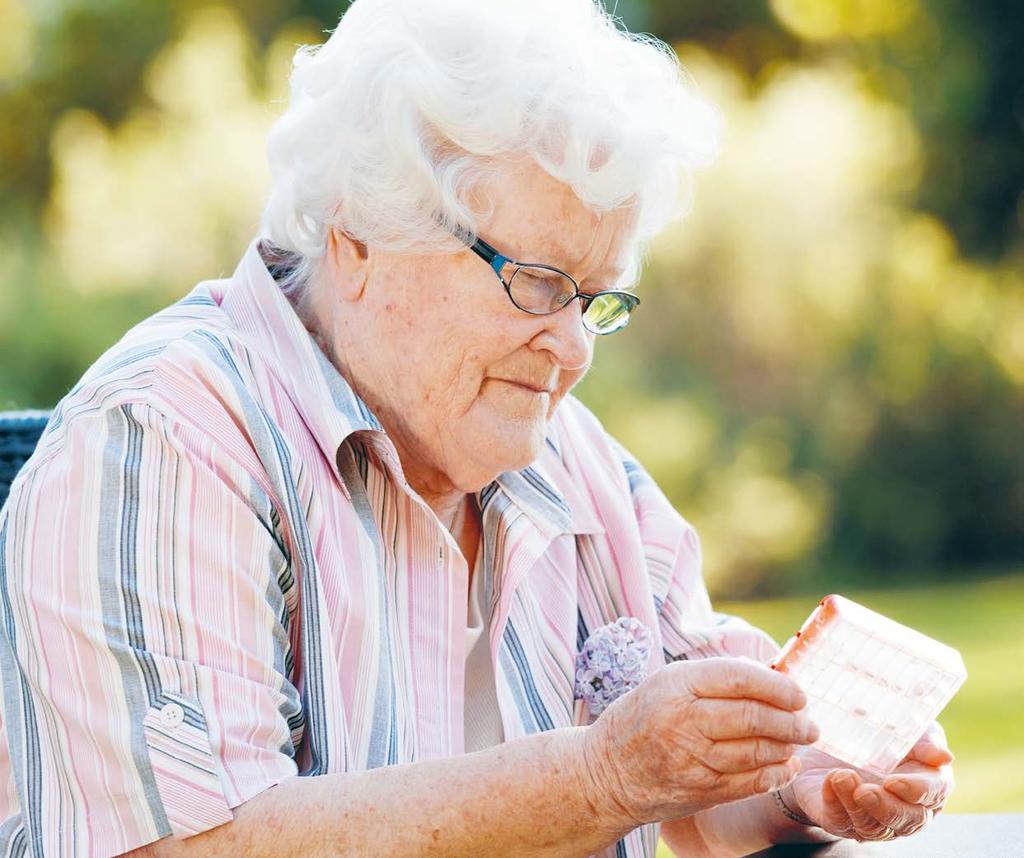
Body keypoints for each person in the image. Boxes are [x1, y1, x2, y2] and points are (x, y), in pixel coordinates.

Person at [0, 0, 954, 855]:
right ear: (359, 236)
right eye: (538, 284)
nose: (573, 351)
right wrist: (599, 777)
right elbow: (190, 847)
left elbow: (696, 809)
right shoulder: (159, 442)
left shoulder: (562, 454)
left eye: (595, 300)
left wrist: (802, 791)